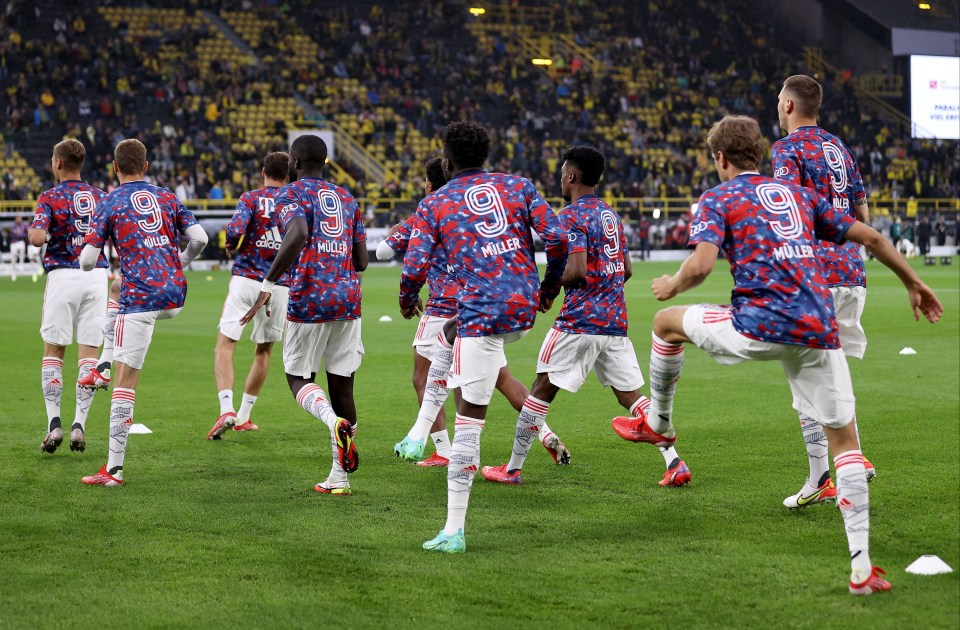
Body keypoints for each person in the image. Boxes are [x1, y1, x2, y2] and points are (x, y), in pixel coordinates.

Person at [647, 115, 941, 594]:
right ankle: (862, 570)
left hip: (757, 326)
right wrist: (914, 281)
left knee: (665, 324)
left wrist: (672, 284)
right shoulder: (802, 197)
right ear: (760, 153)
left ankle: (657, 424)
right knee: (846, 445)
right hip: (817, 328)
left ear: (720, 158)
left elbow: (701, 266)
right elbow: (871, 236)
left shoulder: (719, 197)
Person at [399, 121, 568, 553]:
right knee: (448, 339)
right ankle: (418, 433)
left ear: (446, 160)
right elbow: (558, 237)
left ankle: (454, 529)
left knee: (469, 421)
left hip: (480, 312)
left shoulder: (437, 201)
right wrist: (547, 290)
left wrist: (406, 299)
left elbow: (414, 264)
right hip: (522, 308)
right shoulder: (520, 186)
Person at [481, 146, 689, 487]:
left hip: (578, 322)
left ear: (572, 176)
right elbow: (626, 270)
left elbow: (575, 272)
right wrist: (603, 287)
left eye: (563, 173)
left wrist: (546, 289)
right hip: (614, 322)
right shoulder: (611, 215)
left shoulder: (571, 217)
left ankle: (513, 469)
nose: (560, 179)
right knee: (631, 396)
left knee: (540, 390)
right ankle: (675, 462)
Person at [382, 159, 569, 467]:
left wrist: (399, 233)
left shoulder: (430, 208)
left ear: (430, 184)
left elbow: (384, 252)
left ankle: (444, 450)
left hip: (443, 309)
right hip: (486, 305)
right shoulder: (486, 201)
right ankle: (546, 434)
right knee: (502, 379)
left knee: (424, 378)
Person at [237, 135, 365, 496]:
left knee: (297, 377)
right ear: (324, 163)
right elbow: (362, 261)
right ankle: (339, 478)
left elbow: (298, 233)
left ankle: (330, 422)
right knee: (343, 385)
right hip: (349, 299)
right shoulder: (347, 197)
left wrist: (268, 280)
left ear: (293, 162)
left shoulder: (289, 195)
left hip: (311, 297)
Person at [772, 74, 876, 507]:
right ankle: (854, 456)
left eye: (780, 100)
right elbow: (862, 208)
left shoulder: (787, 149)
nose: (778, 107)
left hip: (816, 276)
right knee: (832, 373)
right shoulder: (839, 147)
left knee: (805, 380)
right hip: (852, 273)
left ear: (791, 106)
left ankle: (822, 476)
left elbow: (789, 211)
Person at [78, 139, 208, 486]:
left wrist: (86, 258)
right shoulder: (166, 196)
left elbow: (89, 261)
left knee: (126, 383)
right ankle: (104, 365)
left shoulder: (109, 201)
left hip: (142, 300)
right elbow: (200, 239)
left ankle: (114, 470)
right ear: (146, 167)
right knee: (117, 289)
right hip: (176, 296)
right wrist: (179, 262)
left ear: (115, 168)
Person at [28, 139, 108, 453]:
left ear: (58, 163)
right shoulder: (101, 196)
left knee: (54, 351)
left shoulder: (50, 197)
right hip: (96, 276)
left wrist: (46, 233)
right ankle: (79, 426)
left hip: (63, 274)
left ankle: (54, 424)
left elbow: (35, 238)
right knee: (88, 355)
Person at [207, 152, 290, 438]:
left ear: (263, 171)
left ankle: (226, 408)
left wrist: (231, 244)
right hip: (279, 285)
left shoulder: (252, 198)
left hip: (246, 280)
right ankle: (244, 415)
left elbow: (236, 229)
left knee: (225, 344)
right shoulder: (295, 200)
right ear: (288, 175)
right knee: (264, 350)